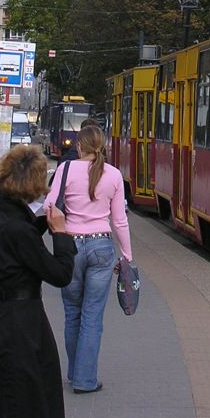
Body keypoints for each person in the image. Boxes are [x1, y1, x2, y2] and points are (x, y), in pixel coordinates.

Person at [0, 145, 77, 418]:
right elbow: (60, 274)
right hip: (24, 324)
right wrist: (61, 234)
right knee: (26, 400)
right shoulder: (20, 231)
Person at [44, 124, 131, 394]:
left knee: (72, 313)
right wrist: (126, 256)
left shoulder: (65, 169)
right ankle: (85, 379)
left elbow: (49, 206)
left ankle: (74, 374)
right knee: (92, 316)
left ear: (79, 146)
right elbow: (119, 220)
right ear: (102, 146)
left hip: (70, 246)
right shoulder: (114, 174)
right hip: (101, 247)